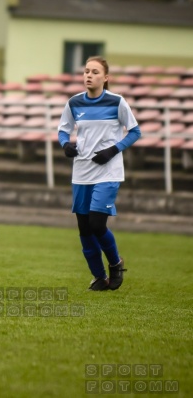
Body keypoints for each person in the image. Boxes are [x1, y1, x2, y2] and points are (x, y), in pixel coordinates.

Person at [58, 56, 141, 291]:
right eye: (86, 71)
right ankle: (99, 277)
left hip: (108, 171)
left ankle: (116, 263)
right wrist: (66, 145)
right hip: (81, 173)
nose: (89, 75)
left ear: (105, 78)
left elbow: (135, 132)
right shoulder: (74, 103)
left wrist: (113, 150)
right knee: (84, 228)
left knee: (96, 223)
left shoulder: (117, 102)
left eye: (94, 72)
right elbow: (63, 131)